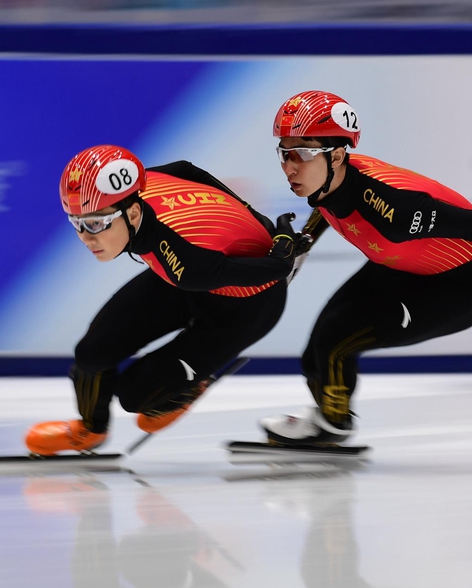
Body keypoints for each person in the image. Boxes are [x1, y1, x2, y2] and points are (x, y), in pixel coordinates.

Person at [259, 90, 472, 446]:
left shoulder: (395, 210)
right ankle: (331, 415)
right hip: (402, 266)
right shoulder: (331, 180)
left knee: (336, 343)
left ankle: (332, 426)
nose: (289, 166)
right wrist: (303, 245)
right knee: (316, 347)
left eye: (300, 153)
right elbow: (329, 207)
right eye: (284, 153)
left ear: (336, 154)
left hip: (464, 285)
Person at [25, 145, 295, 455]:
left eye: (97, 223)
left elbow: (278, 269)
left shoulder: (185, 265)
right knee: (91, 354)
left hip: (246, 308)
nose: (87, 237)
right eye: (77, 223)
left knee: (135, 398)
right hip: (190, 274)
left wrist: (281, 240)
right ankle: (90, 429)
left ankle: (191, 385)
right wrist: (253, 214)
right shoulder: (139, 186)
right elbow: (185, 169)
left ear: (134, 212)